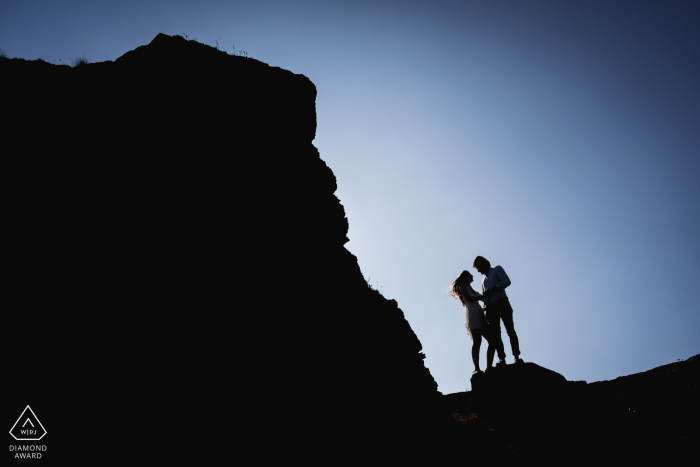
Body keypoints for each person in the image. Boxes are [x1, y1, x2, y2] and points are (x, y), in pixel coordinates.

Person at [448, 270, 503, 374]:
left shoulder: (468, 287)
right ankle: (477, 368)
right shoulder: (463, 286)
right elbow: (470, 299)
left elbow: (476, 297)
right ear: (466, 277)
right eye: (470, 275)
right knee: (477, 342)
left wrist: (486, 303)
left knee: (492, 341)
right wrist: (484, 296)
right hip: (473, 315)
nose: (472, 276)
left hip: (478, 313)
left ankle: (489, 366)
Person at [473, 256, 523, 366]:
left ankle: (516, 356)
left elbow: (507, 281)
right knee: (496, 335)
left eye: (478, 267)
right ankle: (502, 359)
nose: (478, 270)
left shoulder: (497, 269)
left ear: (483, 264)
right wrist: (479, 297)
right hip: (491, 308)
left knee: (510, 330)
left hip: (502, 303)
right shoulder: (483, 281)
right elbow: (486, 298)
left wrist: (494, 288)